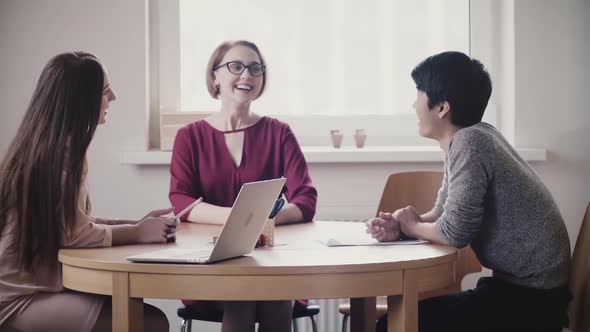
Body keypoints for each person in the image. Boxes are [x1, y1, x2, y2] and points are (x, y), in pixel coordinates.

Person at [365, 51, 571, 332]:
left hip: (531, 304)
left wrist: (412, 227)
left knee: (394, 325)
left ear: (442, 108)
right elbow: (443, 213)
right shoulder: (472, 138)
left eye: (419, 93)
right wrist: (402, 227)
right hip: (522, 293)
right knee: (396, 321)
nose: (413, 103)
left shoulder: (470, 143)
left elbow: (454, 233)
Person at [0, 52, 173, 332]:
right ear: (80, 100)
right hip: (18, 299)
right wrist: (138, 232)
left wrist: (135, 224)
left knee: (134, 308)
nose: (113, 97)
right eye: (105, 91)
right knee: (150, 323)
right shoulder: (62, 154)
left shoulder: (45, 145)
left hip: (33, 288)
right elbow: (74, 234)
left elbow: (70, 222)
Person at [169, 40, 317, 331]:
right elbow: (180, 200)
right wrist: (239, 220)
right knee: (243, 292)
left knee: (275, 291)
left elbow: (306, 199)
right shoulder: (189, 136)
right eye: (236, 66)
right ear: (215, 77)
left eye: (255, 68)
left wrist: (264, 221)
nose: (247, 75)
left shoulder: (279, 133)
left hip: (270, 263)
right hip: (210, 263)